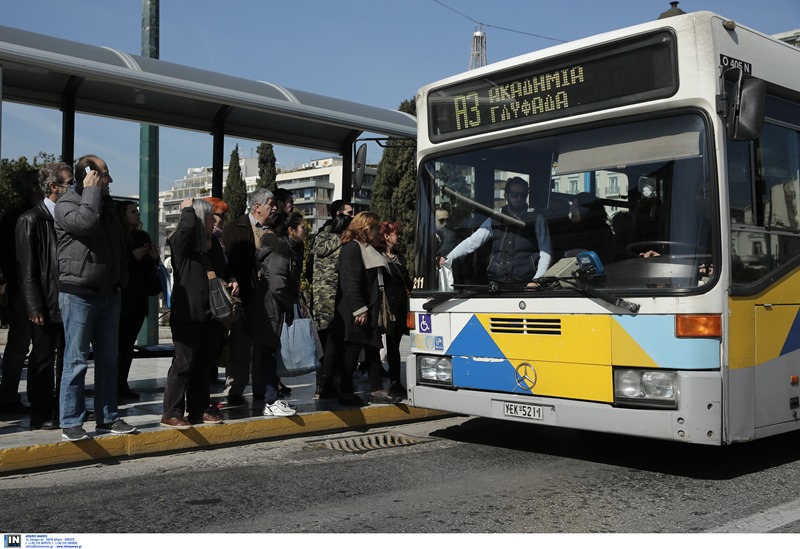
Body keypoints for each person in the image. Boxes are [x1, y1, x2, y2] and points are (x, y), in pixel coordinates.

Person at [54, 155, 137, 441]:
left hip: (108, 294)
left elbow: (119, 247)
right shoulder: (66, 204)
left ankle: (108, 418)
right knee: (76, 361)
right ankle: (70, 422)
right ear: (89, 175)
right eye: (104, 175)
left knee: (108, 360)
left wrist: (120, 281)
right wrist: (90, 191)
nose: (110, 180)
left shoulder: (109, 206)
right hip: (78, 293)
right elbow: (86, 224)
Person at [160, 198, 238, 429]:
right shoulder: (181, 241)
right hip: (188, 313)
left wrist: (231, 278)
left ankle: (199, 409)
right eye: (207, 218)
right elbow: (184, 230)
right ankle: (171, 412)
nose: (213, 222)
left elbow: (223, 268)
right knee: (184, 363)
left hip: (211, 313)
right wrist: (186, 210)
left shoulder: (212, 243)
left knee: (205, 364)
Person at [15, 162, 72, 430]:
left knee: (68, 359)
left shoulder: (68, 217)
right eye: (69, 183)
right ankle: (41, 412)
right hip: (46, 302)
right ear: (53, 187)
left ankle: (64, 408)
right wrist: (33, 305)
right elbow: (27, 269)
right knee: (42, 359)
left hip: (69, 300)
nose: (73, 188)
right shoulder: (30, 220)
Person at [336, 212, 401, 406]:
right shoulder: (352, 248)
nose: (378, 232)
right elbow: (350, 281)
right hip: (358, 310)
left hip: (370, 308)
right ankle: (346, 391)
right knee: (353, 350)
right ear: (366, 229)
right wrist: (359, 309)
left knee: (373, 347)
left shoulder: (367, 248)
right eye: (375, 228)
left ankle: (377, 389)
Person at [438, 177, 552, 285]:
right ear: (506, 196)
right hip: (497, 285)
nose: (519, 198)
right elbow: (471, 242)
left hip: (526, 285)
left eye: (523, 195)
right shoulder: (494, 220)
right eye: (514, 195)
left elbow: (546, 253)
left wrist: (536, 281)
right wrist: (448, 258)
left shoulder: (537, 219)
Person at [221, 188, 276, 405]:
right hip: (244, 296)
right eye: (270, 204)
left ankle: (261, 388)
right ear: (257, 206)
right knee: (241, 347)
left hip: (267, 298)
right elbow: (226, 260)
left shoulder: (273, 230)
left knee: (264, 345)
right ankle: (235, 390)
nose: (274, 208)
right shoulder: (236, 228)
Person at [249, 211, 307, 416]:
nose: (305, 230)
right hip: (271, 308)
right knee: (269, 354)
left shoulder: (289, 248)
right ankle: (271, 400)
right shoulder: (279, 251)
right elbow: (278, 285)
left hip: (275, 306)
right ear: (291, 230)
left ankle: (273, 399)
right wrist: (292, 305)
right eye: (302, 227)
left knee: (271, 354)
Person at [0, 169, 42, 414]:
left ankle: (37, 395)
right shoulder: (17, 216)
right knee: (18, 345)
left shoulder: (47, 214)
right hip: (23, 292)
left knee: (39, 348)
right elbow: (9, 259)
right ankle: (7, 396)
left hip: (41, 292)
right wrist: (16, 292)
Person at [115, 200, 161, 401]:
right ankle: (115, 385)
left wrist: (153, 257)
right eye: (133, 212)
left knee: (127, 346)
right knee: (119, 345)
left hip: (138, 300)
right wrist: (132, 256)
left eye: (137, 211)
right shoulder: (119, 238)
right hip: (122, 300)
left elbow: (150, 270)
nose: (137, 214)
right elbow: (116, 266)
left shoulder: (142, 236)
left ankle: (122, 384)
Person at [310, 201, 353, 399]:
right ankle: (323, 385)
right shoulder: (325, 233)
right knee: (326, 343)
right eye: (349, 214)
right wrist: (340, 238)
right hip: (325, 296)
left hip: (340, 295)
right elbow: (320, 250)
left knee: (338, 343)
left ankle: (333, 384)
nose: (352, 218)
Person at [376, 221, 412, 398]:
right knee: (384, 343)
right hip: (385, 307)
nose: (398, 236)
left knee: (394, 344)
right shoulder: (378, 256)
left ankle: (396, 380)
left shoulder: (399, 256)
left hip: (400, 307)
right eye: (395, 233)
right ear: (386, 236)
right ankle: (386, 379)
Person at [562, 192, 613, 263]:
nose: (571, 211)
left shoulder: (599, 229)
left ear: (585, 209)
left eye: (574, 207)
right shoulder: (574, 228)